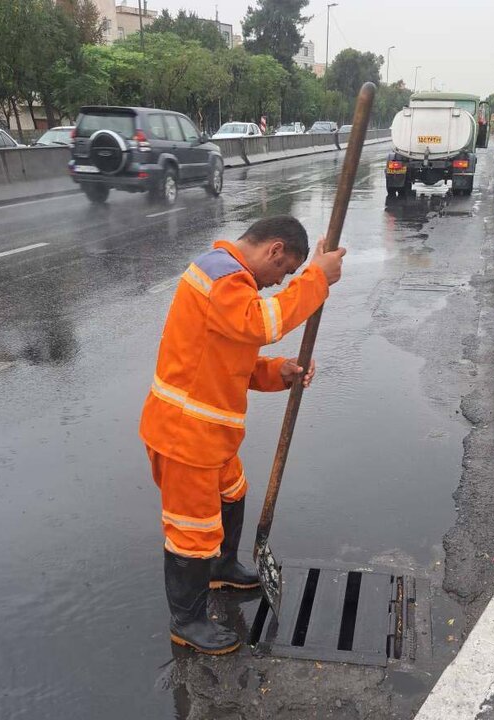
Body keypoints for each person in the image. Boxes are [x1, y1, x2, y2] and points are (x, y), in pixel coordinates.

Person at [139, 215, 346, 655]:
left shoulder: (233, 281)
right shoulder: (224, 278)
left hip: (211, 434)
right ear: (273, 250)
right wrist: (315, 280)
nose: (278, 282)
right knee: (191, 532)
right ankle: (188, 622)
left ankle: (223, 566)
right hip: (185, 436)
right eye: (284, 271)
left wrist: (279, 372)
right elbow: (260, 325)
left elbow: (233, 359)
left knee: (233, 493)